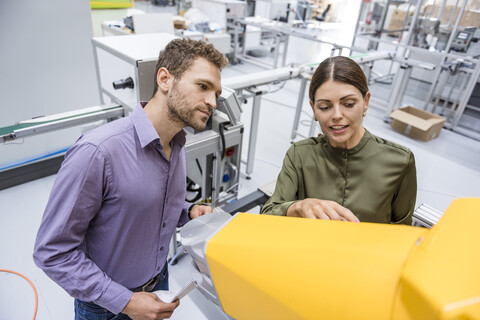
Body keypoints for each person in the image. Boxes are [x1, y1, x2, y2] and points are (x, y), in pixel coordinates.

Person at [33, 38, 229, 320]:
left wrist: (187, 212)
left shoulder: (177, 145)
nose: (212, 102)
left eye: (216, 93)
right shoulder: (98, 152)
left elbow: (150, 205)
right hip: (106, 307)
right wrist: (125, 302)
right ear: (164, 79)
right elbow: (52, 252)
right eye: (203, 86)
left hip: (159, 286)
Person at [261, 56, 417, 224]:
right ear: (313, 109)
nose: (336, 115)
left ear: (366, 102)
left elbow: (402, 230)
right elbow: (269, 215)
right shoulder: (299, 155)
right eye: (325, 107)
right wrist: (298, 207)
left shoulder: (400, 161)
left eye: (348, 104)